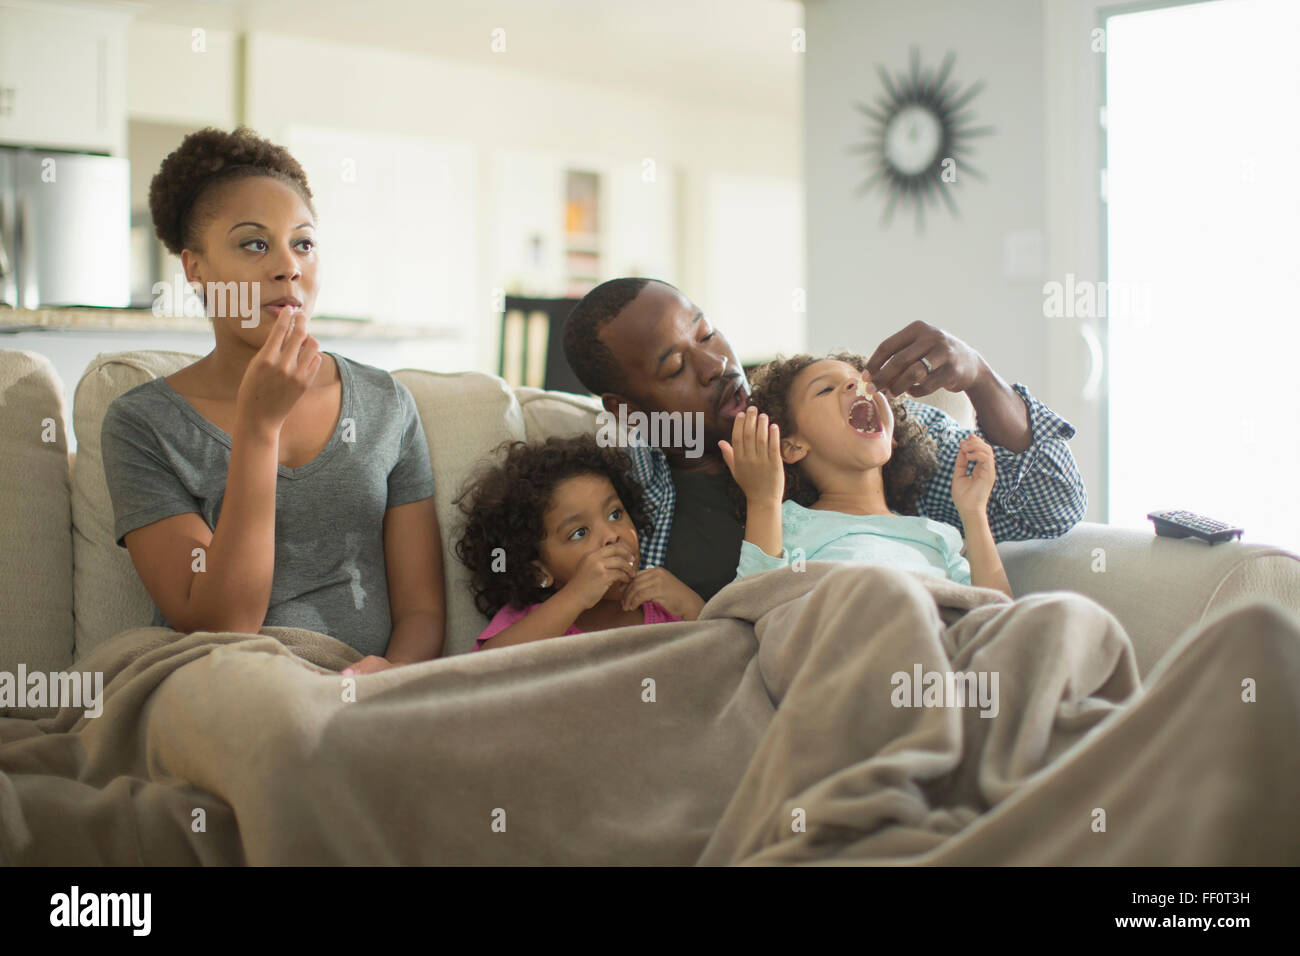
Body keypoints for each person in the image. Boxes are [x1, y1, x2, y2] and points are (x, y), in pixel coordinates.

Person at [100, 126, 445, 674]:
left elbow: (422, 609)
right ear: (196, 269)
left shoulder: (385, 404)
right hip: (227, 679)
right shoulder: (142, 423)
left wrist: (390, 677)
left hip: (367, 691)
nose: (290, 266)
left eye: (302, 242)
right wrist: (258, 429)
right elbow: (222, 624)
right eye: (254, 244)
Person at [562, 277, 1085, 601]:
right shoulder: (615, 493)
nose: (716, 365)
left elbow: (1055, 504)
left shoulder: (843, 426)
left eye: (706, 334)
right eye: (676, 366)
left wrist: (978, 377)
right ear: (626, 410)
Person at [723, 353, 1014, 597]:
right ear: (792, 446)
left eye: (864, 382)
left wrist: (974, 513)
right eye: (825, 389)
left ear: (893, 436)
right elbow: (755, 602)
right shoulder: (788, 523)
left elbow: (995, 616)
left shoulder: (936, 534)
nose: (855, 383)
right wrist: (762, 501)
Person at [455, 435, 704, 651]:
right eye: (579, 532)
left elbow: (724, 668)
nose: (611, 535)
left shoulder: (665, 607)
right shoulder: (531, 624)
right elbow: (483, 672)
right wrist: (576, 597)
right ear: (538, 570)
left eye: (615, 514)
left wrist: (693, 608)